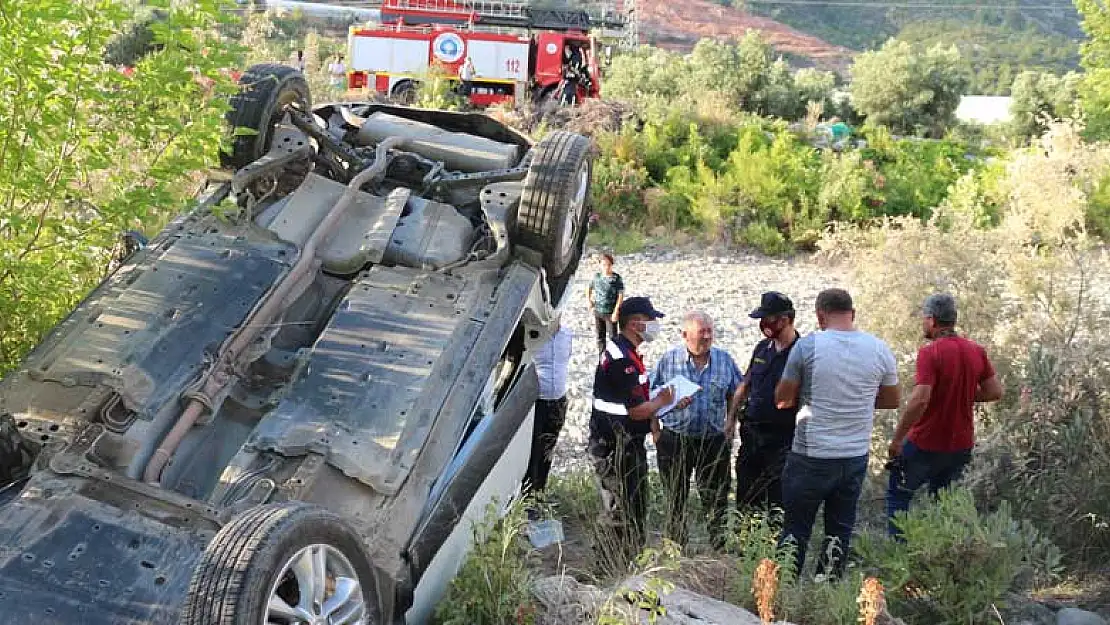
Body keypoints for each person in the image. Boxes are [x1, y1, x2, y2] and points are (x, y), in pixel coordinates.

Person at [774, 288, 900, 579]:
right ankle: (826, 589)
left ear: (820, 316)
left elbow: (782, 400)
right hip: (854, 455)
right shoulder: (879, 348)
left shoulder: (808, 346)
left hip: (811, 454)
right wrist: (859, 399)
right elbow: (892, 400)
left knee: (796, 530)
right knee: (839, 532)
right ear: (852, 314)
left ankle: (782, 593)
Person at [885, 294, 1003, 538]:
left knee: (899, 494)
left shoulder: (931, 353)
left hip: (927, 443)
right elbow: (994, 392)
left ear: (932, 320)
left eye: (924, 319)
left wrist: (897, 440)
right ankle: (942, 557)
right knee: (944, 503)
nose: (922, 324)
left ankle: (898, 557)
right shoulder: (976, 351)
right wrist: (961, 394)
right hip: (960, 445)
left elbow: (920, 399)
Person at [588, 296, 674, 567]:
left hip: (625, 442)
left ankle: (629, 560)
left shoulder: (626, 352)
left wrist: (660, 403)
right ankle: (609, 565)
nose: (654, 325)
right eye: (650, 320)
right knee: (620, 507)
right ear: (636, 323)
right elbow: (636, 410)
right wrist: (663, 401)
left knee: (633, 503)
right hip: (615, 447)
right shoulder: (621, 359)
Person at [650, 311, 743, 549]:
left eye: (710, 331)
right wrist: (656, 431)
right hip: (674, 439)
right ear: (685, 334)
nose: (708, 336)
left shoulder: (724, 360)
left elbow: (737, 391)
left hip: (713, 440)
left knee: (716, 498)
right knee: (674, 497)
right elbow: (649, 395)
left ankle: (718, 548)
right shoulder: (668, 361)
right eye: (702, 332)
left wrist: (731, 421)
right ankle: (675, 551)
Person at [730, 292, 801, 514]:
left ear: (786, 319)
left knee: (776, 501)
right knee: (746, 496)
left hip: (782, 439)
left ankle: (772, 545)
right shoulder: (762, 348)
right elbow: (745, 383)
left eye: (769, 318)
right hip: (752, 435)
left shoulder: (802, 352)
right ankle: (744, 544)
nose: (764, 324)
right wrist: (730, 419)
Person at [522, 319, 574, 501]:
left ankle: (540, 491)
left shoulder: (567, 334)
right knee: (531, 450)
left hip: (558, 399)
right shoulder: (531, 335)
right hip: (535, 401)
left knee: (548, 449)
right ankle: (526, 495)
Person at [586, 253, 624, 355]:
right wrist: (589, 301)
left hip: (610, 312)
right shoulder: (596, 277)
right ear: (600, 265)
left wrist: (616, 311)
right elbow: (589, 288)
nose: (606, 267)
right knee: (600, 336)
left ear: (612, 265)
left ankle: (614, 358)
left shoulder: (616, 278)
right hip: (598, 311)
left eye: (608, 265)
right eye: (604, 264)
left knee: (613, 338)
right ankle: (602, 358)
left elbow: (620, 295)